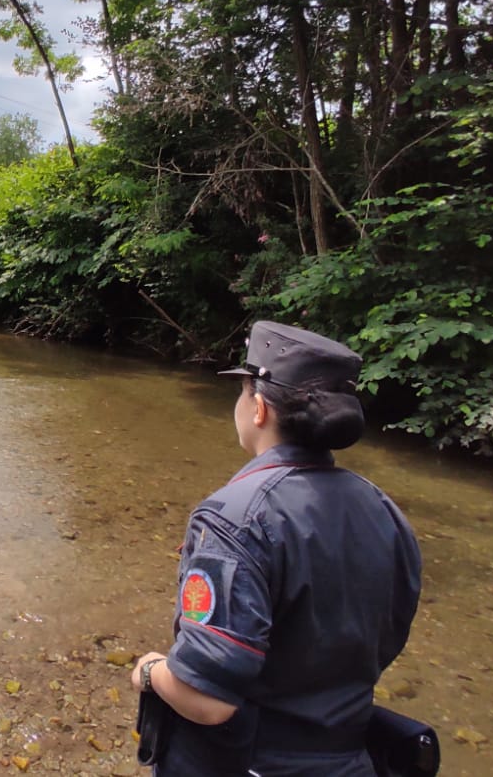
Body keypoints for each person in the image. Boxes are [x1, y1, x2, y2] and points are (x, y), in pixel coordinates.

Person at [130, 321, 423, 776]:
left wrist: (150, 670)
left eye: (242, 391)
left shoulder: (234, 517)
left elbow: (208, 699)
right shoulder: (383, 508)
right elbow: (388, 636)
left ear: (260, 408)